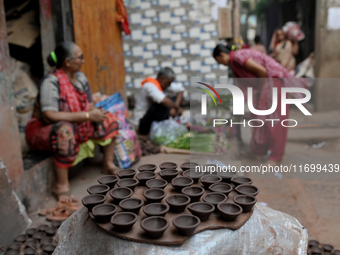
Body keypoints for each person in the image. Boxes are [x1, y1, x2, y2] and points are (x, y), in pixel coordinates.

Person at [26, 42, 119, 203]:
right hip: (44, 128)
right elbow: (50, 115)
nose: (83, 61)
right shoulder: (51, 82)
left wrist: (95, 112)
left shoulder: (81, 78)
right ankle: (61, 185)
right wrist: (88, 116)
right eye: (80, 58)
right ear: (67, 62)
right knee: (65, 131)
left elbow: (88, 105)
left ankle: (108, 163)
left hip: (76, 121)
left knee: (108, 117)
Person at [213, 44, 307, 165]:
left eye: (219, 60)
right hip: (265, 83)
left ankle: (276, 157)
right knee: (259, 119)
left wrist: (260, 88)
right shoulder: (235, 59)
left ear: (221, 55)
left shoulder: (237, 57)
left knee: (275, 120)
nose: (220, 63)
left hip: (273, 81)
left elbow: (262, 70)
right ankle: (258, 152)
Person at [133, 67, 183, 135]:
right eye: (168, 83)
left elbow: (180, 89)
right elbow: (163, 100)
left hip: (152, 121)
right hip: (141, 123)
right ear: (162, 78)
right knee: (163, 103)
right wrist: (177, 108)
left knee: (171, 100)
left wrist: (175, 107)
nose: (169, 85)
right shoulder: (149, 85)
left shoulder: (164, 85)